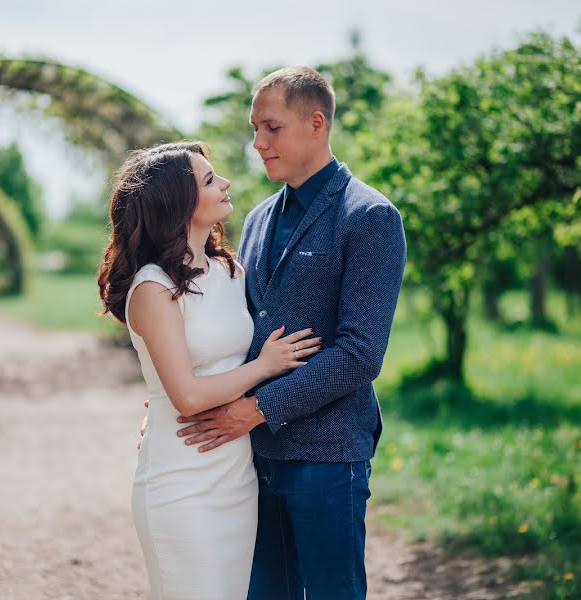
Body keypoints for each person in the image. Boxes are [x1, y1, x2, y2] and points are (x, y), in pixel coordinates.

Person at [174, 67, 407, 599]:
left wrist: (256, 409)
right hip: (250, 458)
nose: (257, 143)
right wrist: (180, 397)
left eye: (271, 128)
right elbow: (234, 330)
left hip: (327, 455)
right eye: (255, 128)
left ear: (316, 123)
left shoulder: (369, 216)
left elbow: (359, 353)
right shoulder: (255, 219)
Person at [98, 141, 321, 599]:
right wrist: (264, 367)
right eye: (208, 179)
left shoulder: (230, 271)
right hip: (180, 482)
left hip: (236, 479)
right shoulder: (152, 288)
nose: (226, 183)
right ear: (176, 203)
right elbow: (189, 397)